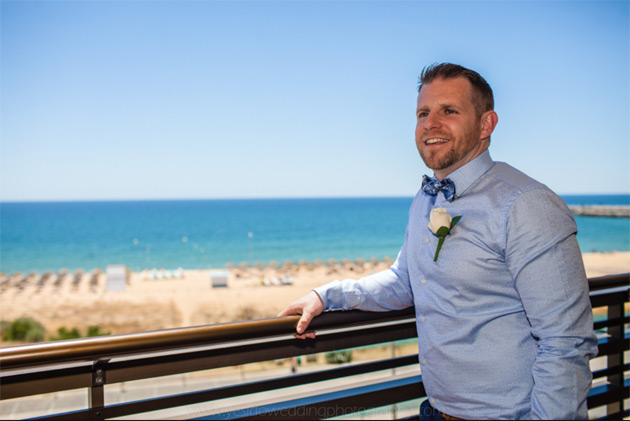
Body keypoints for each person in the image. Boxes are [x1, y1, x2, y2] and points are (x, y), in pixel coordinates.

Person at [278, 63, 598, 420]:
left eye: (449, 111)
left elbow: (567, 342)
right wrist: (328, 296)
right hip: (435, 412)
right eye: (423, 113)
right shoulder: (427, 198)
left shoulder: (525, 205)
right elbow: (406, 281)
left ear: (486, 124)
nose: (431, 124)